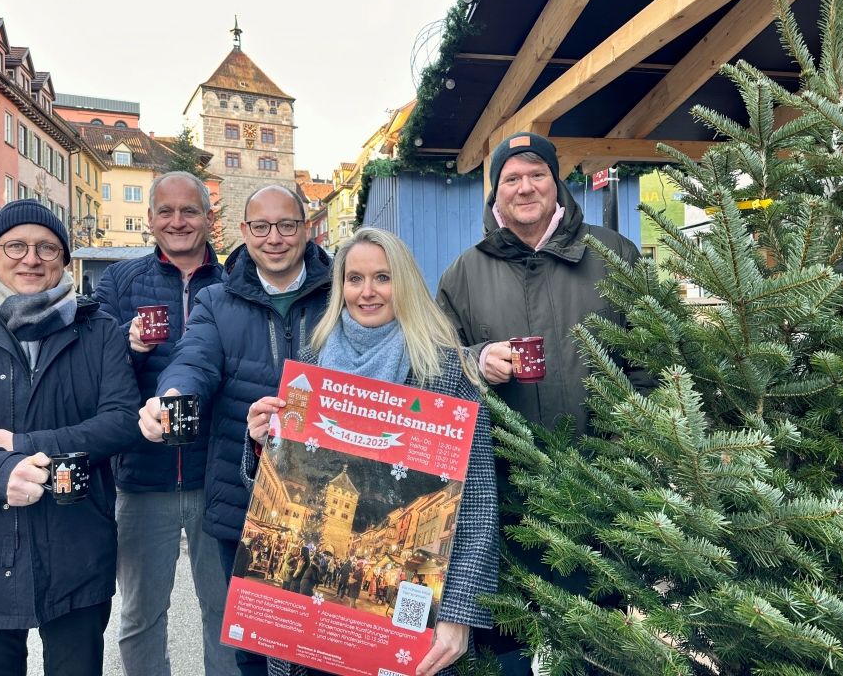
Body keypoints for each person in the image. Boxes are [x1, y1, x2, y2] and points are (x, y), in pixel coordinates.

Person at [436, 132, 655, 675]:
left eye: (537, 174)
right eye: (511, 177)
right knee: (511, 638)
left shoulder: (613, 253)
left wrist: (631, 449)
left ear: (557, 185)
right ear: (495, 194)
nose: (525, 186)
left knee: (597, 636)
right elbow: (435, 363)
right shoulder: (464, 273)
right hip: (506, 493)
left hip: (600, 482)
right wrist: (477, 358)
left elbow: (651, 356)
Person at [246, 227, 498, 676]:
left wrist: (459, 614)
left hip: (411, 635)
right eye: (354, 278)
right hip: (310, 637)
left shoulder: (444, 371)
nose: (367, 292)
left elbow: (477, 503)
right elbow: (276, 477)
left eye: (382, 277)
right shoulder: (309, 362)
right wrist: (263, 440)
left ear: (404, 284)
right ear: (339, 287)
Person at [0, 200, 142, 676]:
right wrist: (0, 471)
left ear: (64, 259)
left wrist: (25, 445)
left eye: (46, 248)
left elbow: (122, 419)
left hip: (78, 536)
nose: (31, 259)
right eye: (16, 245)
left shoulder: (97, 330)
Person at [138, 184, 332, 676]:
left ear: (305, 230)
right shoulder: (215, 300)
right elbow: (193, 360)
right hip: (245, 499)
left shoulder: (343, 292)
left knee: (332, 638)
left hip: (329, 491)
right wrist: (172, 397)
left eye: (287, 225)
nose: (275, 238)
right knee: (255, 647)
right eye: (261, 227)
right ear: (243, 233)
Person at [92, 171, 233, 676]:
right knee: (139, 615)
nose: (178, 222)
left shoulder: (234, 281)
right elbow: (96, 379)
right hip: (142, 475)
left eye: (189, 211)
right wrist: (127, 349)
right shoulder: (119, 282)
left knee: (223, 614)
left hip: (213, 475)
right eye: (166, 212)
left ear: (208, 219)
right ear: (149, 220)